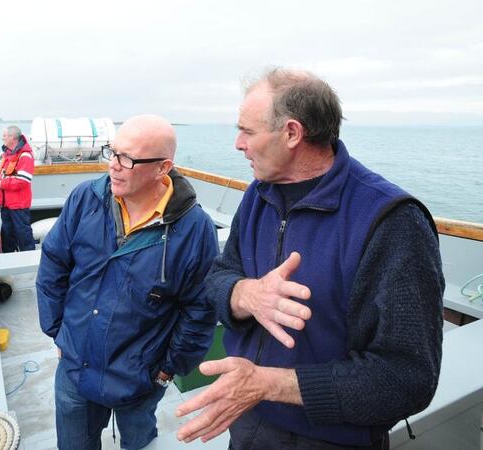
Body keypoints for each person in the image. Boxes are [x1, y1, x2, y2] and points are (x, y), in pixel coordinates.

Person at [175, 68, 445, 449]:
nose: (238, 144)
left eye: (247, 132)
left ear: (291, 133)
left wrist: (267, 384)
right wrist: (245, 293)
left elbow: (407, 379)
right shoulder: (259, 195)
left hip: (330, 438)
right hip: (247, 419)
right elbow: (219, 276)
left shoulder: (392, 222)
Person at [36, 114, 219, 450]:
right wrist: (57, 330)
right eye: (112, 152)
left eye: (127, 158)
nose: (113, 166)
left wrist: (167, 370)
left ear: (163, 168)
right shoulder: (85, 199)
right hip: (75, 369)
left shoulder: (194, 229)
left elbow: (200, 308)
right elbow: (54, 262)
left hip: (140, 381)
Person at [0, 125, 35, 252]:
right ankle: (8, 258)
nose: (2, 138)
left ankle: (29, 259)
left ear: (12, 137)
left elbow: (23, 180)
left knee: (23, 233)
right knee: (7, 233)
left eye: (4, 136)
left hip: (19, 205)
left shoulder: (25, 156)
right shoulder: (6, 155)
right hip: (6, 204)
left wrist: (3, 184)